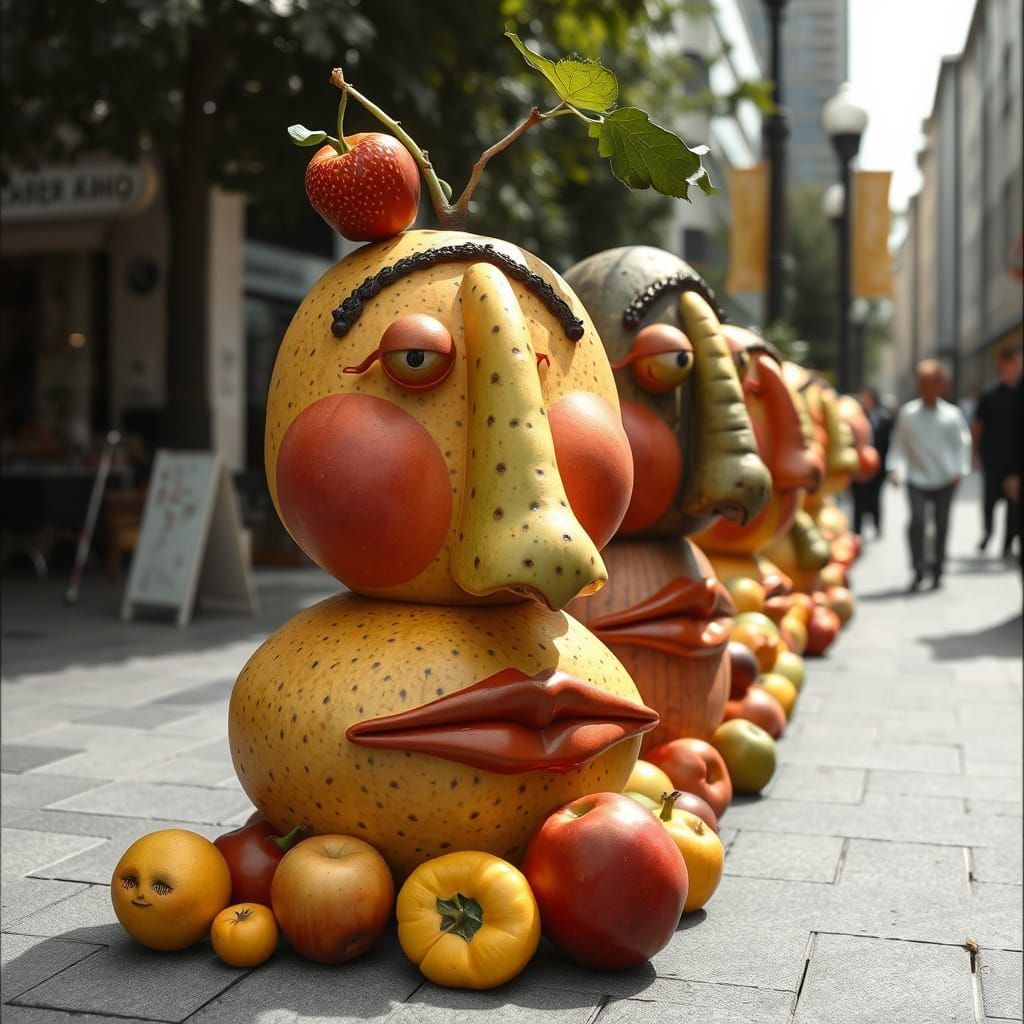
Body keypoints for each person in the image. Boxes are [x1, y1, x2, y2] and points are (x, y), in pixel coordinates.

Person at [890, 360, 972, 592]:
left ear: (941, 385)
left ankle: (938, 569)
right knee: (917, 521)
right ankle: (918, 567)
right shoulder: (908, 413)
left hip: (946, 478)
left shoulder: (952, 415)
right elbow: (898, 445)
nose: (927, 387)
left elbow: (962, 444)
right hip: (917, 478)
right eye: (923, 382)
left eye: (932, 382)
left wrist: (960, 469)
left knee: (941, 525)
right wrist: (895, 469)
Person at [972, 343, 1023, 558]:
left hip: (1016, 458)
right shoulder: (990, 394)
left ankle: (1008, 543)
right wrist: (974, 452)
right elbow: (977, 425)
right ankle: (988, 532)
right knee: (989, 500)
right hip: (993, 456)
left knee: (1014, 503)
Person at [850, 387, 894, 537]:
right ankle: (857, 529)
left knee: (875, 497)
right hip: (858, 465)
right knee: (858, 498)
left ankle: (877, 525)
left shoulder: (884, 418)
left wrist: (888, 467)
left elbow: (889, 444)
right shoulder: (854, 417)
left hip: (878, 465)